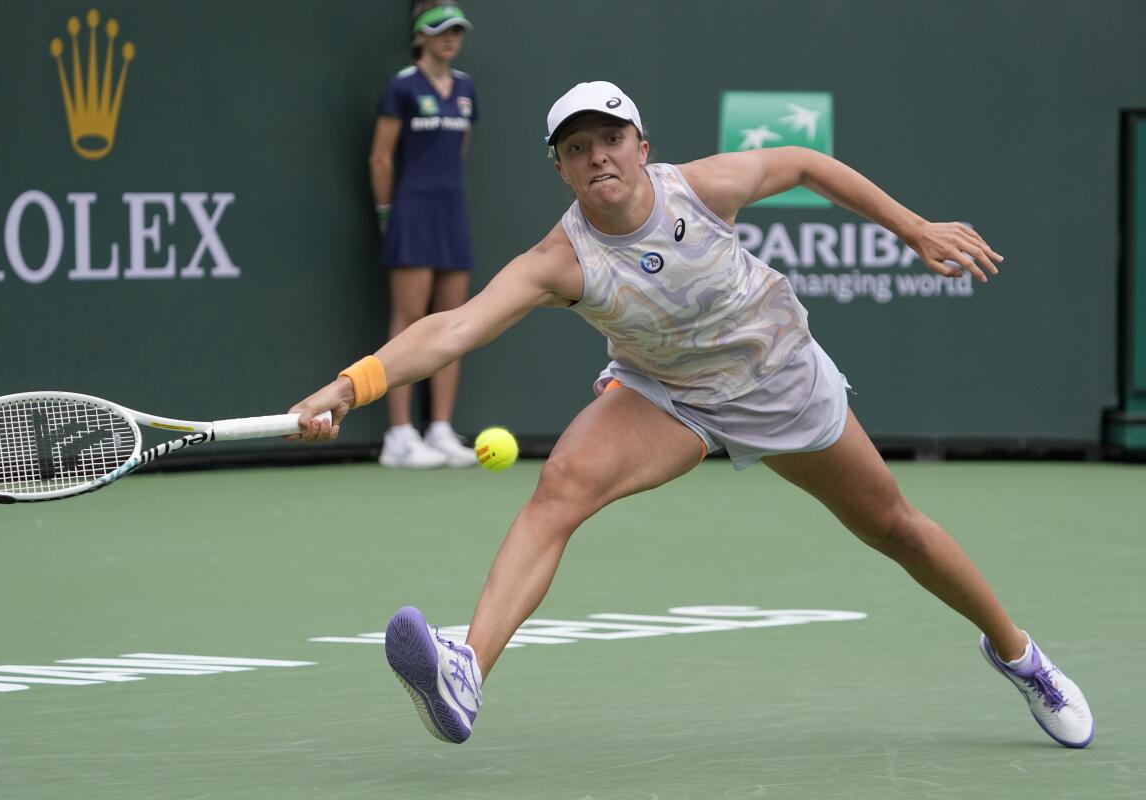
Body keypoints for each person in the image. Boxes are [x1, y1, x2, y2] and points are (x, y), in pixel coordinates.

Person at [295, 81, 1095, 748]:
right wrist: (350, 385)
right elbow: (454, 328)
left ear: (641, 145)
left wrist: (914, 228)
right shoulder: (559, 261)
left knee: (894, 527)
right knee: (563, 485)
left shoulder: (704, 188)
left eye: (610, 137)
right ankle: (467, 668)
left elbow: (807, 162)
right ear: (563, 171)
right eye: (577, 148)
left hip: (782, 382)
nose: (597, 155)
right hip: (665, 394)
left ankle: (1022, 657)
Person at [368, 1, 480, 468]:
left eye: (456, 31)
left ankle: (439, 429)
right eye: (441, 31)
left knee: (452, 321)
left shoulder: (467, 89)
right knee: (409, 322)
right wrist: (388, 214)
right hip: (411, 212)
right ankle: (398, 434)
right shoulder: (403, 86)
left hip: (451, 213)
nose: (450, 39)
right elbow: (380, 158)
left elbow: (460, 151)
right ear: (421, 37)